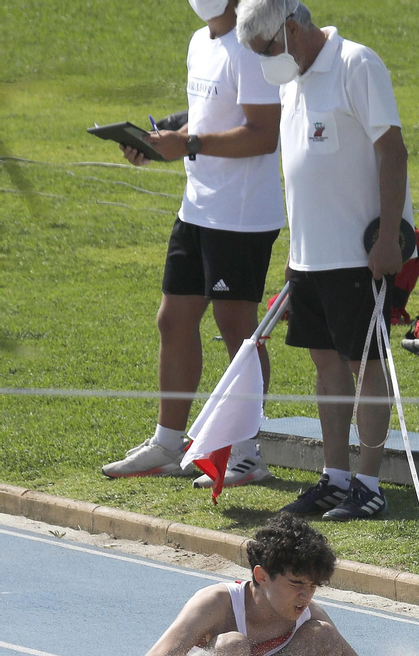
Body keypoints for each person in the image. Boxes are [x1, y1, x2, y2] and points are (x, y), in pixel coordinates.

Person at [237, 0, 413, 520]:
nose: (264, 62)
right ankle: (335, 477)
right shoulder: (290, 82)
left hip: (360, 256)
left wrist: (386, 237)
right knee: (325, 363)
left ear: (291, 29)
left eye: (266, 49)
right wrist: (295, 259)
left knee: (366, 363)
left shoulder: (357, 64)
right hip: (309, 258)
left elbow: (393, 150)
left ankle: (369, 483)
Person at [102, 0, 282, 489]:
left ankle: (248, 453)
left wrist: (191, 144)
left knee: (236, 329)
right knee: (173, 318)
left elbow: (264, 134)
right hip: (197, 207)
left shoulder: (250, 49)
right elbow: (203, 122)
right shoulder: (198, 43)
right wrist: (161, 140)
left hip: (240, 215)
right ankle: (168, 442)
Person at [137, 512, 406, 656]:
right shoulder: (216, 602)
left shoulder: (311, 615)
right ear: (261, 576)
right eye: (296, 584)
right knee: (232, 645)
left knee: (323, 636)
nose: (305, 596)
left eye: (312, 587)